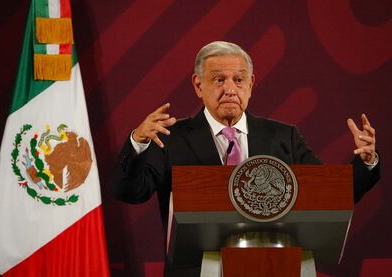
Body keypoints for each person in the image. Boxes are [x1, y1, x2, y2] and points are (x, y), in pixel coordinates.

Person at [113, 41, 380, 275]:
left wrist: (366, 161)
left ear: (251, 84)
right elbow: (131, 192)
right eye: (219, 79)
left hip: (275, 268)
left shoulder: (283, 137)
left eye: (239, 80)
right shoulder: (170, 137)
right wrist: (139, 142)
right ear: (198, 85)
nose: (230, 89)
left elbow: (327, 196)